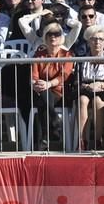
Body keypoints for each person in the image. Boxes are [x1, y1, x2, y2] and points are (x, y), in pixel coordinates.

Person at [31, 22, 75, 151]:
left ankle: (43, 140)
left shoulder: (67, 55)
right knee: (43, 98)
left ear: (61, 37)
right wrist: (36, 85)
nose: (53, 37)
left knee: (42, 102)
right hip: (40, 91)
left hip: (59, 91)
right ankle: (55, 123)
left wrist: (48, 84)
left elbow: (64, 76)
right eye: (50, 34)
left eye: (57, 34)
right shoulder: (39, 55)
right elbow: (34, 76)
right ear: (45, 37)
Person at [76, 25, 104, 150]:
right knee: (82, 100)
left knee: (97, 102)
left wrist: (101, 85)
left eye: (101, 39)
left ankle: (97, 140)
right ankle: (82, 141)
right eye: (94, 39)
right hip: (85, 90)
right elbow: (76, 81)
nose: (97, 42)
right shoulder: (82, 59)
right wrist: (87, 86)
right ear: (88, 41)